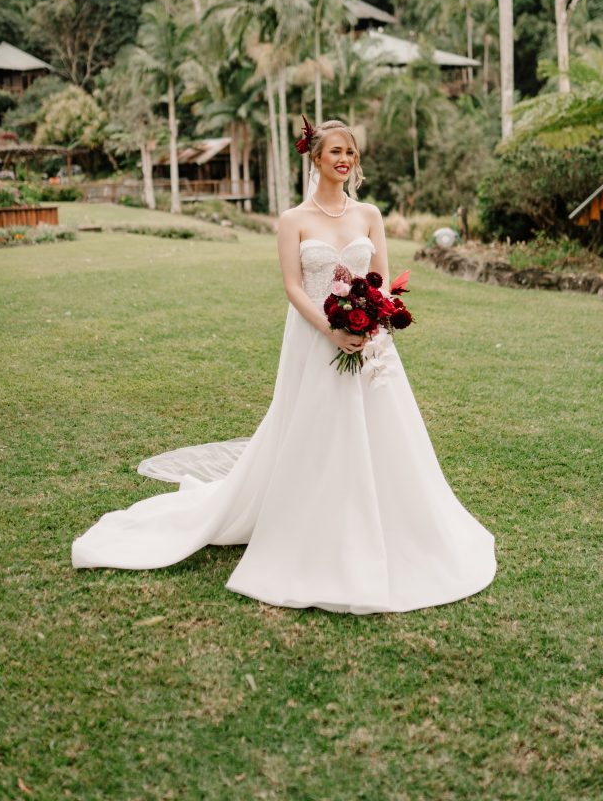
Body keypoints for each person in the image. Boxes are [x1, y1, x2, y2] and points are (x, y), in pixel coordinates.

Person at [72, 120, 496, 614]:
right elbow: (294, 287)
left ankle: (390, 523)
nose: (346, 159)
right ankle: (310, 525)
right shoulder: (294, 219)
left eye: (352, 153)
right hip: (315, 338)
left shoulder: (369, 214)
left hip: (371, 342)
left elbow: (379, 279)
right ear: (314, 157)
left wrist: (371, 319)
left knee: (384, 431)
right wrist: (331, 330)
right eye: (336, 151)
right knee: (315, 429)